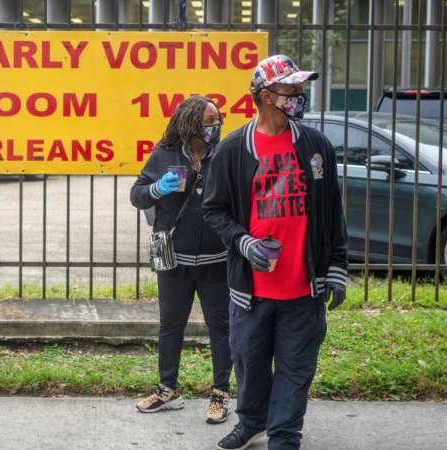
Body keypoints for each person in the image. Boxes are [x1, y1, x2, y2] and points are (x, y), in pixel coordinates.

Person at [201, 55, 349, 449]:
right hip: (251, 290)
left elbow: (332, 208)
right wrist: (244, 242)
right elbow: (214, 209)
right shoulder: (233, 149)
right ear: (267, 96)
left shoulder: (315, 145)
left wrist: (336, 264)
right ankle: (252, 422)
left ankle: (284, 435)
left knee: (295, 369)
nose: (300, 96)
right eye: (292, 90)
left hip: (304, 287)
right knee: (249, 364)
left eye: (300, 89)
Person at [130, 95, 233, 424]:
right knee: (170, 325)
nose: (215, 127)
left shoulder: (225, 154)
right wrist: (158, 189)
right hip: (172, 257)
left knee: (221, 326)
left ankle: (220, 394)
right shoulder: (165, 154)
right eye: (208, 122)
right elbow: (137, 194)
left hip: (216, 258)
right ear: (190, 123)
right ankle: (168, 390)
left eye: (218, 120)